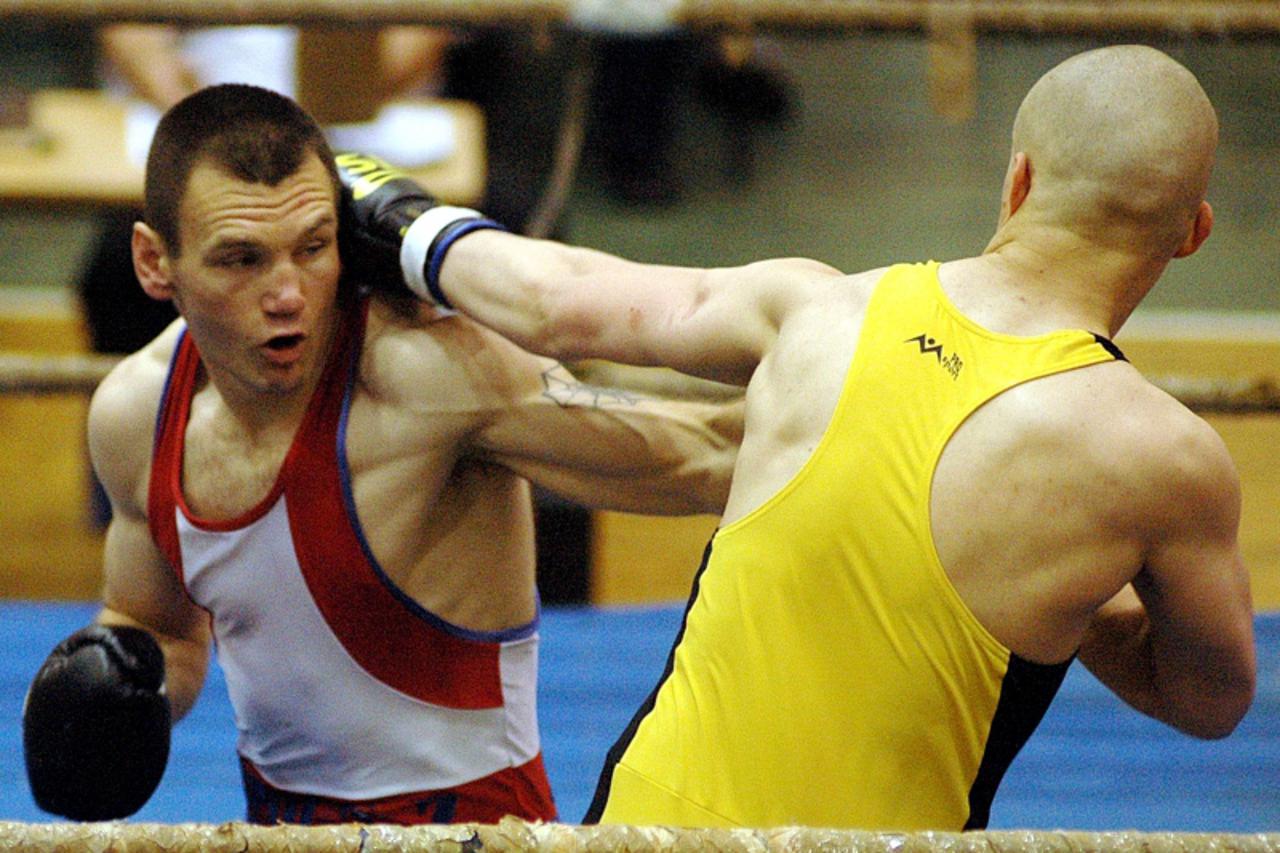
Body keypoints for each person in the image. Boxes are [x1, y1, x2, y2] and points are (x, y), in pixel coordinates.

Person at [344, 44, 1258, 830]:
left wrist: (393, 214)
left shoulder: (818, 307)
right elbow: (1210, 700)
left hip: (640, 831)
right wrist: (1078, 594)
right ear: (1193, 234)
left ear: (1017, 180)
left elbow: (560, 302)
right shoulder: (1167, 460)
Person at [21, 84, 739, 825]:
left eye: (313, 247)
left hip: (476, 838)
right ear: (154, 262)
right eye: (241, 259)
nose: (288, 293)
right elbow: (160, 624)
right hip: (278, 837)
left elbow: (705, 455)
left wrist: (840, 379)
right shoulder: (135, 414)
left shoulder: (428, 378)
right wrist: (124, 680)